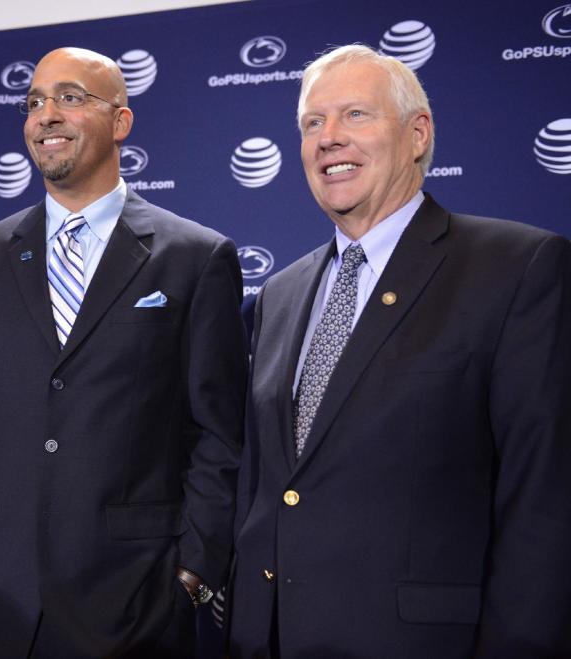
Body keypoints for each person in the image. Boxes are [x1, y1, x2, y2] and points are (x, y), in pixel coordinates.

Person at [0, 47, 247, 658]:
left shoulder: (196, 257)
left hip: (132, 594)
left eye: (69, 97)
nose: (46, 115)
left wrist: (192, 575)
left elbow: (216, 433)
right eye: (34, 101)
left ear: (120, 122)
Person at [228, 44, 571, 658]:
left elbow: (544, 497)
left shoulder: (516, 268)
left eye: (355, 115)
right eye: (313, 123)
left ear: (417, 134)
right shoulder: (277, 296)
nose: (329, 138)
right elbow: (269, 488)